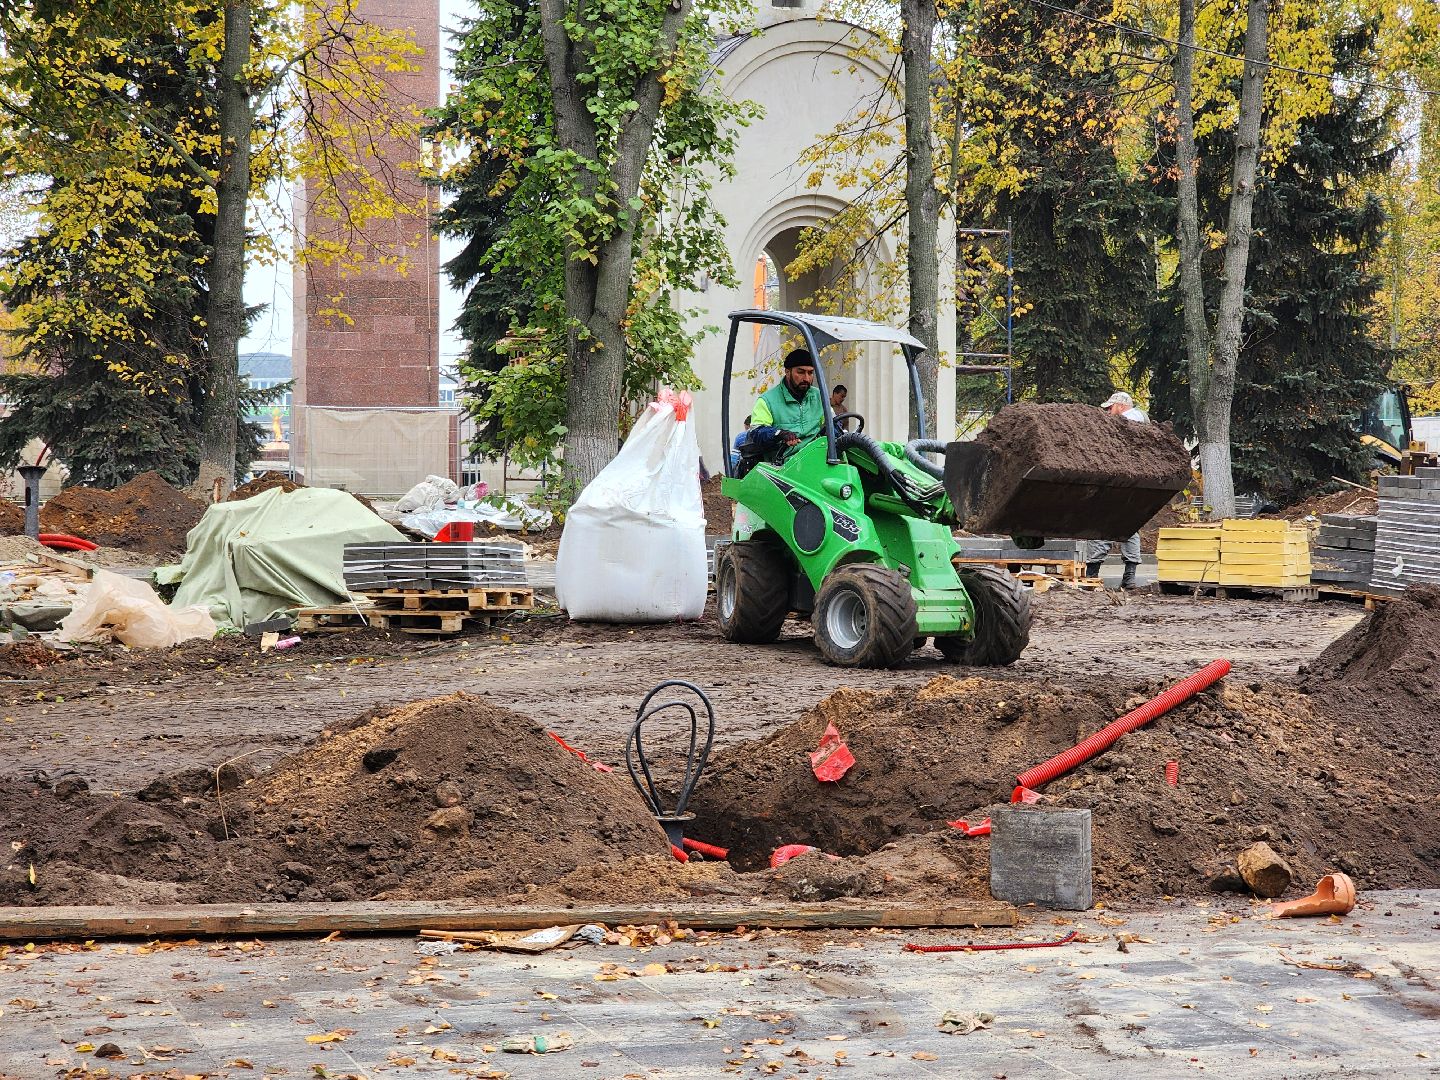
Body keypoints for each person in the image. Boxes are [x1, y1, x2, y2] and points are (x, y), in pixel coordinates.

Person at [1087, 391, 1147, 588]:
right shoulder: (1142, 421)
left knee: (1101, 523)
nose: (1108, 413)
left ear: (1121, 406)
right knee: (1128, 526)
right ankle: (1128, 577)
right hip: (1136, 484)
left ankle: (1092, 574)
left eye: (1110, 408)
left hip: (1119, 481)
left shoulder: (1128, 420)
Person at [749, 348, 824, 460]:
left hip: (816, 456)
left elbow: (831, 425)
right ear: (787, 372)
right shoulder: (767, 400)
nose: (806, 378)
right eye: (801, 372)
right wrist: (779, 433)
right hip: (784, 464)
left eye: (810, 373)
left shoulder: (819, 396)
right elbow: (757, 433)